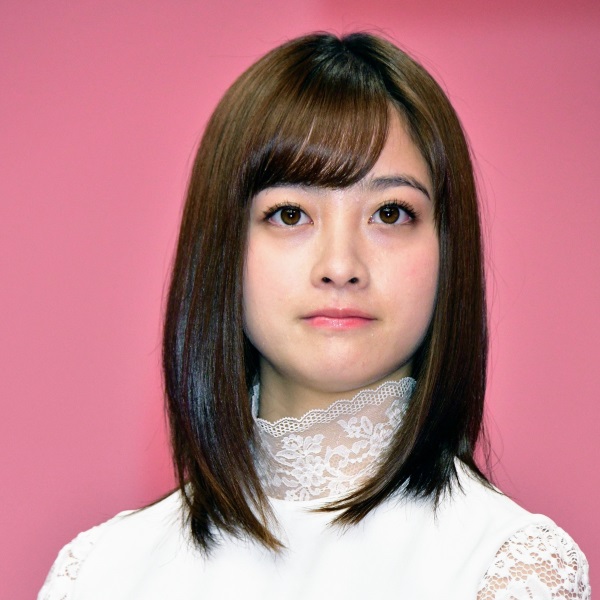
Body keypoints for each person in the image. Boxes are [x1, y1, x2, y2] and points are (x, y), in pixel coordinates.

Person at [38, 32, 590, 599]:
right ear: (222, 247)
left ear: (450, 250)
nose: (340, 266)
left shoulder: (511, 568)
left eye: (390, 213)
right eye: (290, 214)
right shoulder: (99, 570)